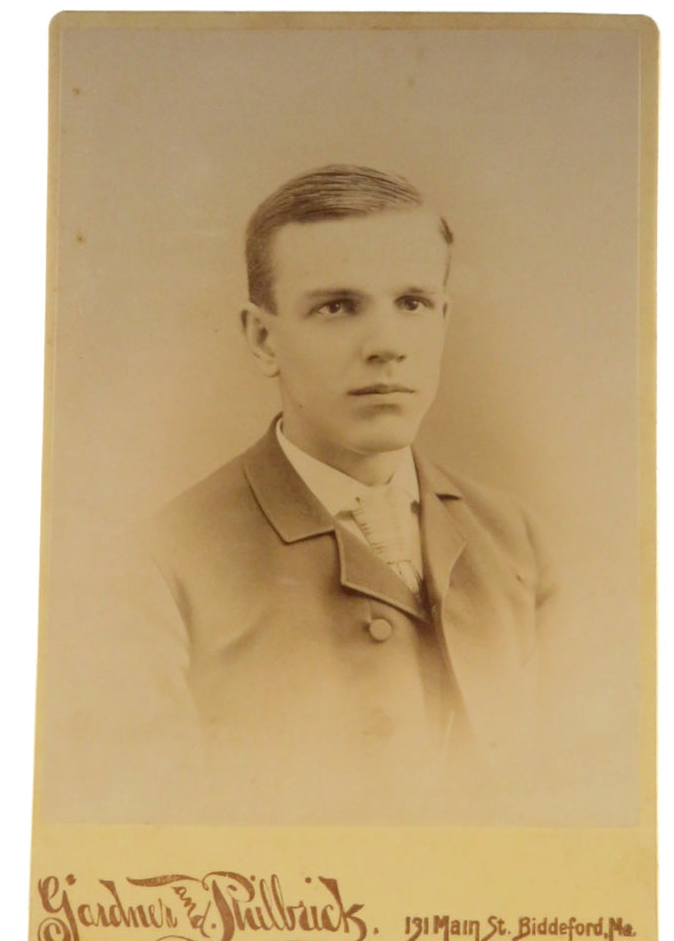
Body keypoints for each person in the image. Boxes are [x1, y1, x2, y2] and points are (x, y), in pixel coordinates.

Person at [144, 165, 555, 824]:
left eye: (413, 303)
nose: (386, 345)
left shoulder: (516, 538)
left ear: (444, 319)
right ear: (261, 337)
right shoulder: (162, 562)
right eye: (337, 307)